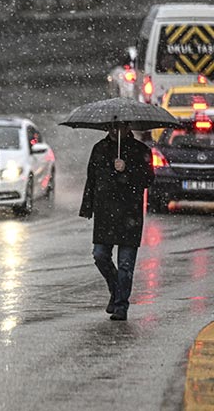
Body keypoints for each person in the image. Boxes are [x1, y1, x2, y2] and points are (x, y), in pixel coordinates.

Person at [79, 126, 154, 321]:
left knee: (126, 264)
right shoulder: (99, 149)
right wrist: (87, 207)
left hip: (130, 214)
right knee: (100, 255)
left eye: (120, 126)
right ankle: (116, 290)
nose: (115, 130)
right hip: (105, 213)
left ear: (127, 127)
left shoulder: (141, 150)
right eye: (112, 126)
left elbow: (148, 179)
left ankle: (121, 305)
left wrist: (127, 168)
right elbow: (92, 179)